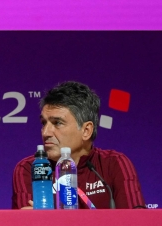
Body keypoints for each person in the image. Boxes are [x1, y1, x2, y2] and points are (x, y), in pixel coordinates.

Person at [12, 81, 145, 209]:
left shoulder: (114, 163)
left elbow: (138, 221)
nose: (46, 132)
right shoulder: (30, 168)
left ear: (86, 130)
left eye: (57, 123)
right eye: (43, 123)